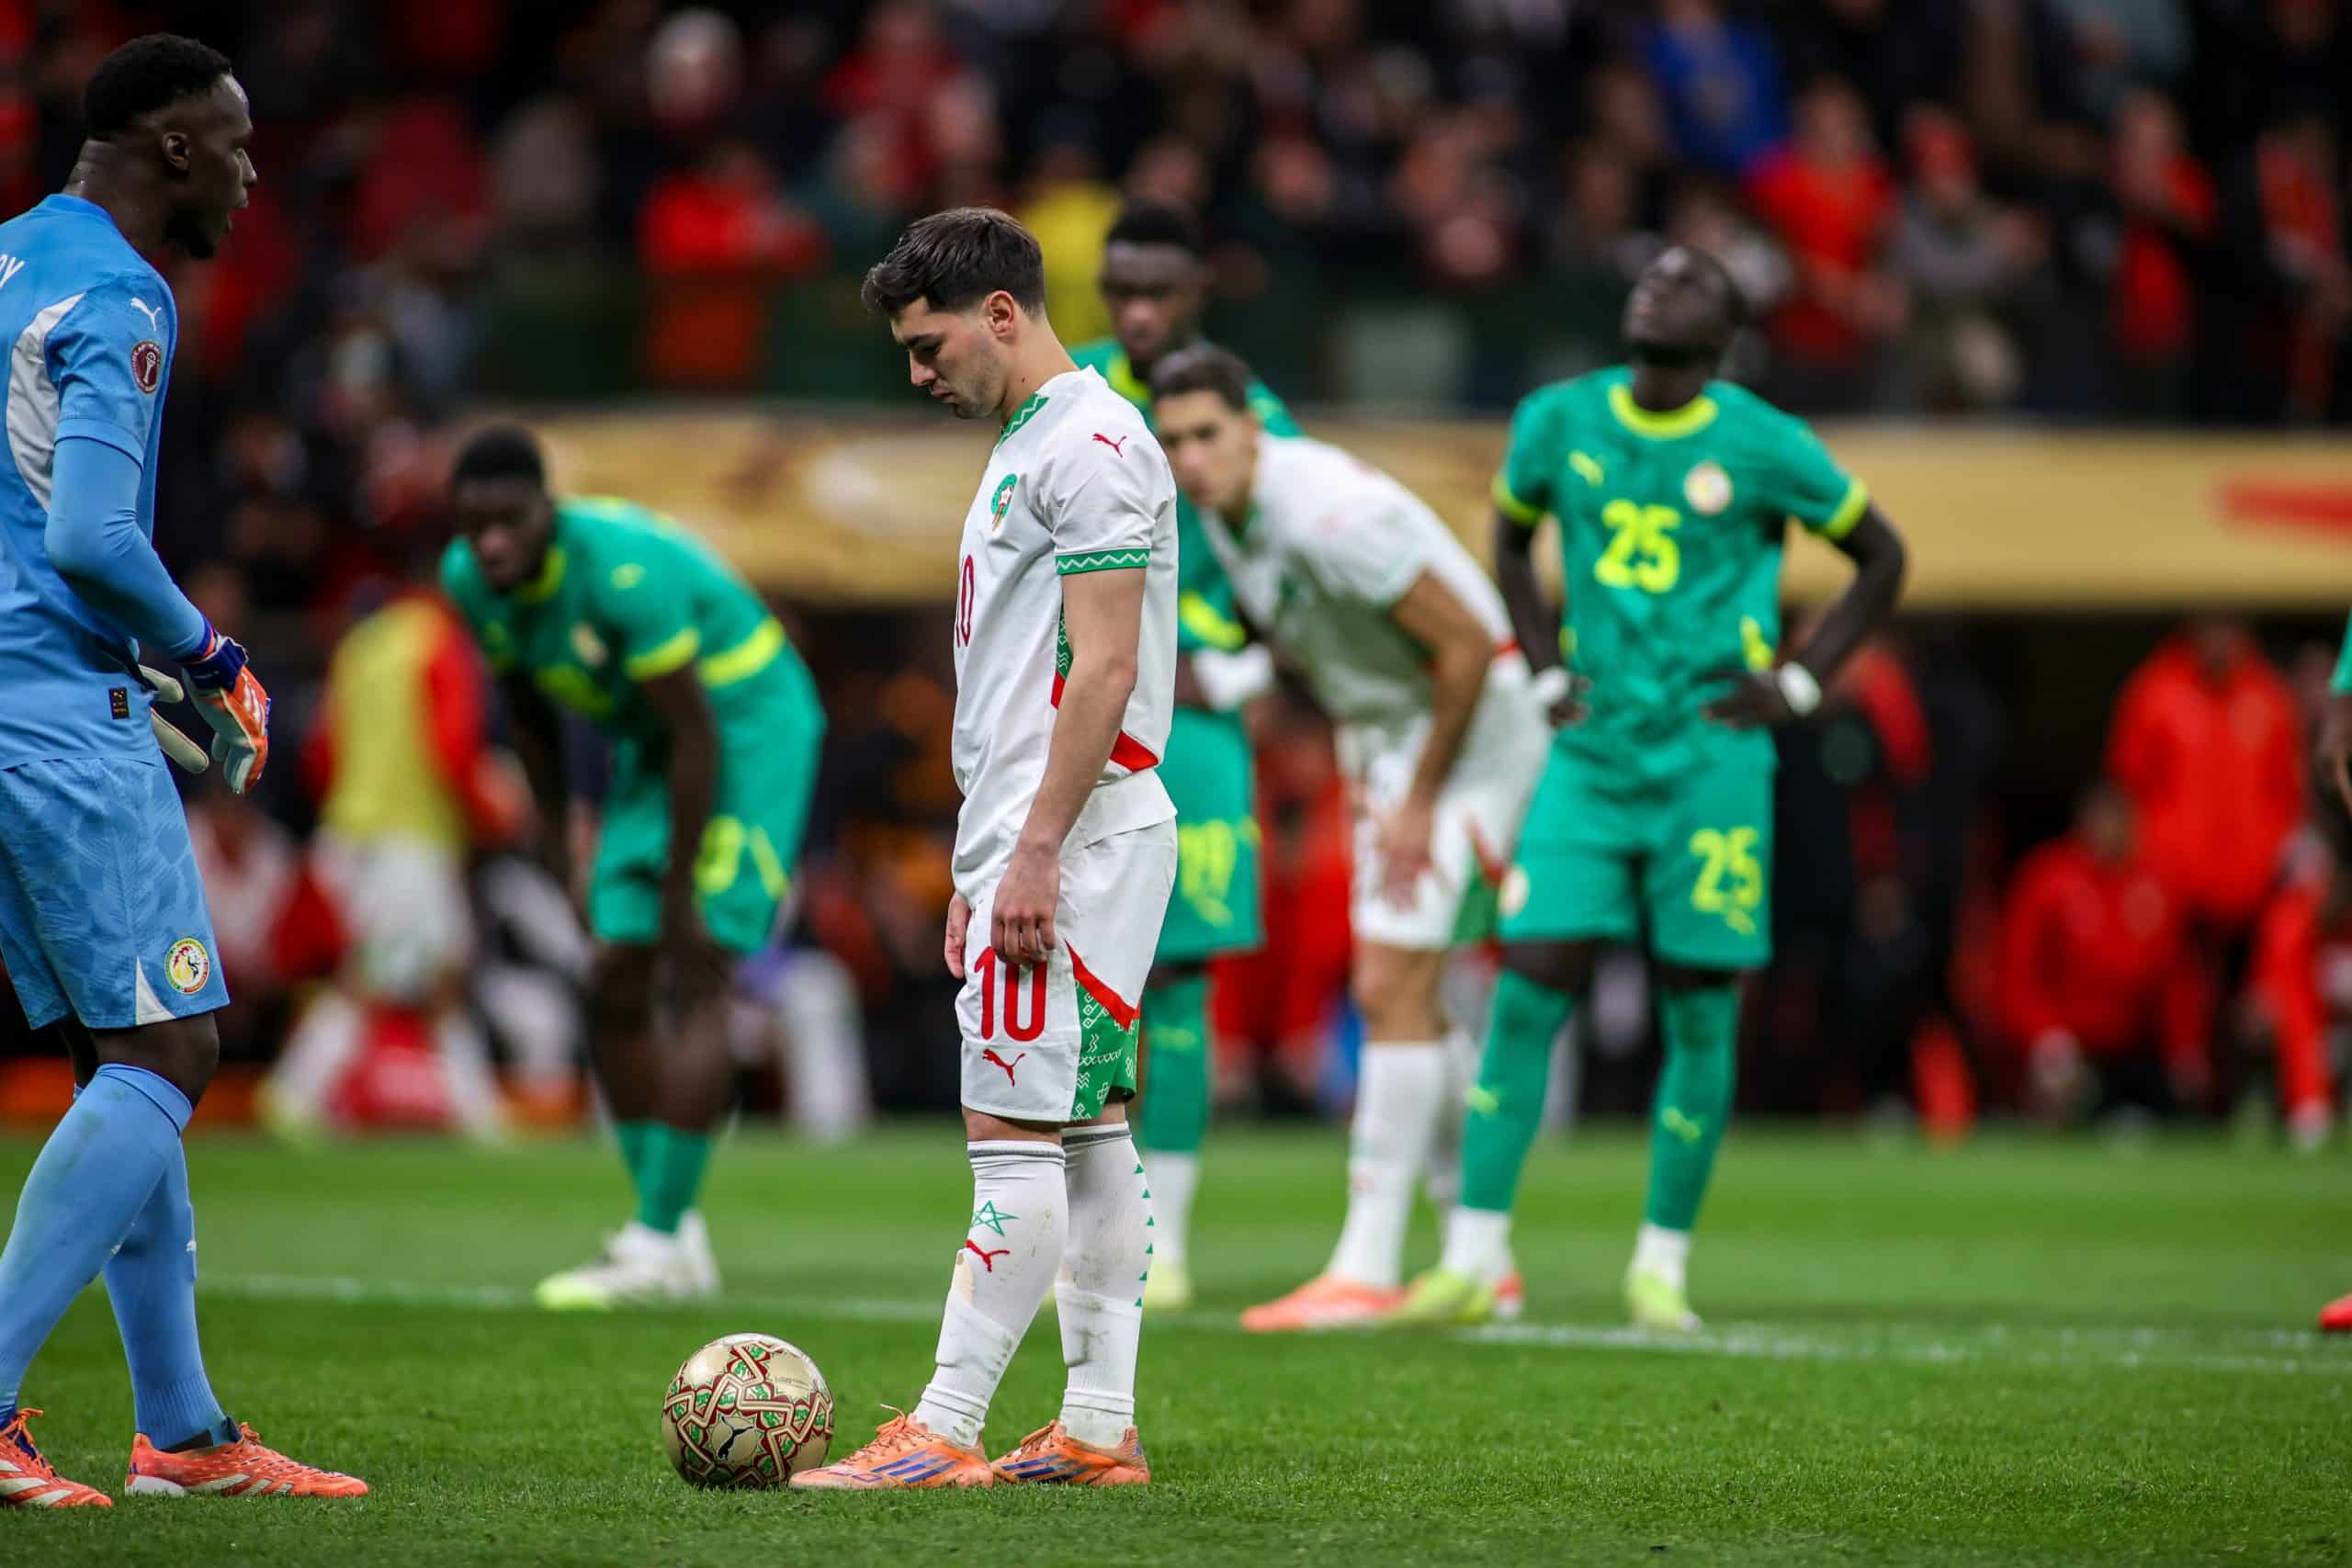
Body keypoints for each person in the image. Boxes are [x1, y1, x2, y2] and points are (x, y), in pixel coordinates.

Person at [1391, 245, 1908, 1331]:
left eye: (1684, 281)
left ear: (1720, 335)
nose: (1654, 283)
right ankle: (1475, 1257)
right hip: (1590, 759)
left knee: (1700, 1004)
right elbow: (1512, 534)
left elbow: (1881, 554)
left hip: (1711, 764)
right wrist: (1539, 665)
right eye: (1648, 274)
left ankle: (1660, 1268)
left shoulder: (1763, 441)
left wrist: (1804, 682)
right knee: (1529, 981)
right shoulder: (1556, 418)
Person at [0, 34, 365, 1505]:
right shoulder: (122, 293)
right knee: (169, 1049)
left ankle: (183, 1433)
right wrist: (212, 653)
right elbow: (89, 534)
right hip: (49, 712)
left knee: (121, 1043)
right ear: (167, 149)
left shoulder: (12, 257)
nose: (250, 171)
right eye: (235, 144)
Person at [796, 207, 1175, 1489]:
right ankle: (1098, 1421)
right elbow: (1026, 676)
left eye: (927, 341)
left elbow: (1107, 664)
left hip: (1070, 837)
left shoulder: (1093, 443)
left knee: (1009, 1126)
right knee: (1088, 1128)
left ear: (1001, 314)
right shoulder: (1043, 439)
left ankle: (943, 1427)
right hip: (1055, 835)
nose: (917, 370)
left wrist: (1029, 854)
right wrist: (989, 852)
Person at [1147, 344, 1551, 1332]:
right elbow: (1333, 650)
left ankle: (1369, 1266)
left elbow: (1464, 644)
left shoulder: (1326, 513)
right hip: (1393, 735)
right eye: (1173, 442)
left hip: (1474, 731)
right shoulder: (1222, 512)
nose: (1191, 459)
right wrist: (1369, 762)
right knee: (1412, 991)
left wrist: (1415, 795)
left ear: (1253, 429)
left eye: (1207, 435)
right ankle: (1478, 1252)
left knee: (1388, 983)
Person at [441, 426, 825, 1308]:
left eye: (509, 521)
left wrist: (686, 897)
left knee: (694, 968)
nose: (491, 542)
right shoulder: (471, 581)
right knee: (612, 970)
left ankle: (654, 1239)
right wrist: (553, 848)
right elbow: (529, 715)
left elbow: (699, 735)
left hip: (748, 729)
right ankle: (674, 1229)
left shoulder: (623, 573)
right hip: (660, 748)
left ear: (549, 510)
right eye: (474, 526)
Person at [1067, 199, 1290, 1310]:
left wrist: (1245, 668)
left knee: (1183, 978)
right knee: (1082, 978)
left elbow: (1305, 563)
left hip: (1194, 731)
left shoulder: (1255, 416)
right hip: (1082, 719)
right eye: (1121, 291)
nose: (1138, 312)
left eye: (1160, 291)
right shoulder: (1077, 393)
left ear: (1200, 289)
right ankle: (1087, 1232)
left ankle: (1168, 1242)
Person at [262, 541, 527, 1141]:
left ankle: (479, 1110)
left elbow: (320, 754)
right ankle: (292, 1095)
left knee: (439, 976)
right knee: (375, 978)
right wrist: (494, 812)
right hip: (409, 840)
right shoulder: (440, 643)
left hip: (350, 834)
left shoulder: (363, 643)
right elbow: (454, 748)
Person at [2000, 783, 2204, 1122]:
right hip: (2068, 1048)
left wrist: (2185, 1047)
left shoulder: (2159, 883)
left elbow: (2177, 982)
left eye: (2119, 821)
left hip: (2136, 1048)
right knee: (2058, 1097)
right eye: (2102, 820)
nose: (2110, 832)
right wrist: (2045, 1037)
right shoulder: (2049, 881)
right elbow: (2017, 973)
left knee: (2172, 1114)